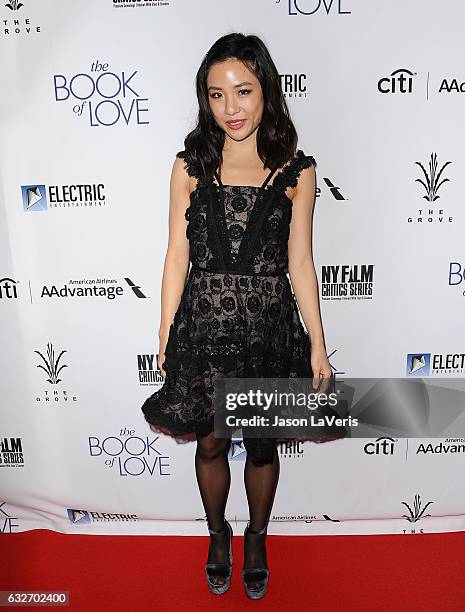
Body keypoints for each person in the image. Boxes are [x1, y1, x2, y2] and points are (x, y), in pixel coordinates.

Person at [141, 32, 345, 600]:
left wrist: (318, 345)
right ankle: (217, 534)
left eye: (243, 91)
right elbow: (176, 255)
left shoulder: (295, 171)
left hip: (266, 329)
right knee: (209, 443)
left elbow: (301, 262)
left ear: (267, 92)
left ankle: (256, 536)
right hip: (203, 330)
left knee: (259, 445)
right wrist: (164, 331)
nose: (230, 108)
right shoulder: (190, 166)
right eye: (215, 95)